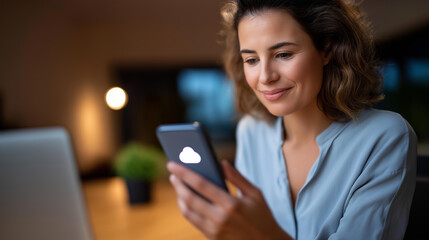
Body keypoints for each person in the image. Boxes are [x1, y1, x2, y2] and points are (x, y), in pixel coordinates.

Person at [167, 0, 417, 239]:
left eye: (283, 54)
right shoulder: (251, 132)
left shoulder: (385, 137)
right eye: (251, 60)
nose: (265, 77)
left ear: (326, 49)